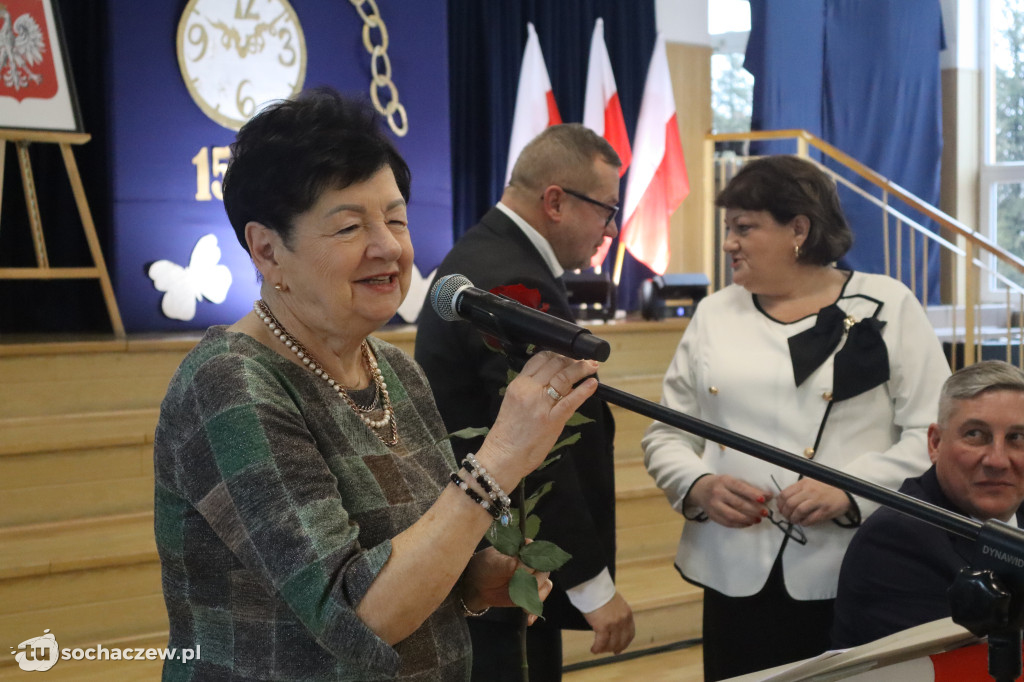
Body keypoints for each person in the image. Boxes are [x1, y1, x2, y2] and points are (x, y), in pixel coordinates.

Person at [152, 88, 602, 681]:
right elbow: (356, 616)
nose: (388, 246)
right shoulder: (229, 384)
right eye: (349, 227)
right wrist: (501, 458)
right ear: (266, 250)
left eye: (395, 218)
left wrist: (467, 579)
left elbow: (398, 555)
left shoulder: (394, 368)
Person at [641, 154, 951, 680]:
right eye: (727, 228)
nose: (728, 244)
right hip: (732, 568)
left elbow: (933, 434)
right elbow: (666, 433)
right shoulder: (715, 313)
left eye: (744, 228)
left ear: (799, 230)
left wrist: (851, 489)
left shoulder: (888, 304)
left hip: (854, 566)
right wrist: (698, 484)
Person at [414, 123, 635, 681]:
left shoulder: (491, 255)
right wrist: (591, 585)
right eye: (607, 210)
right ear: (556, 201)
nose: (610, 229)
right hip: (498, 568)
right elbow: (546, 446)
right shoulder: (513, 282)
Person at [832, 360, 1024, 648]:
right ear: (935, 443)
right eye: (975, 435)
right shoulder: (896, 541)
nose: (997, 460)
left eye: (1017, 438)